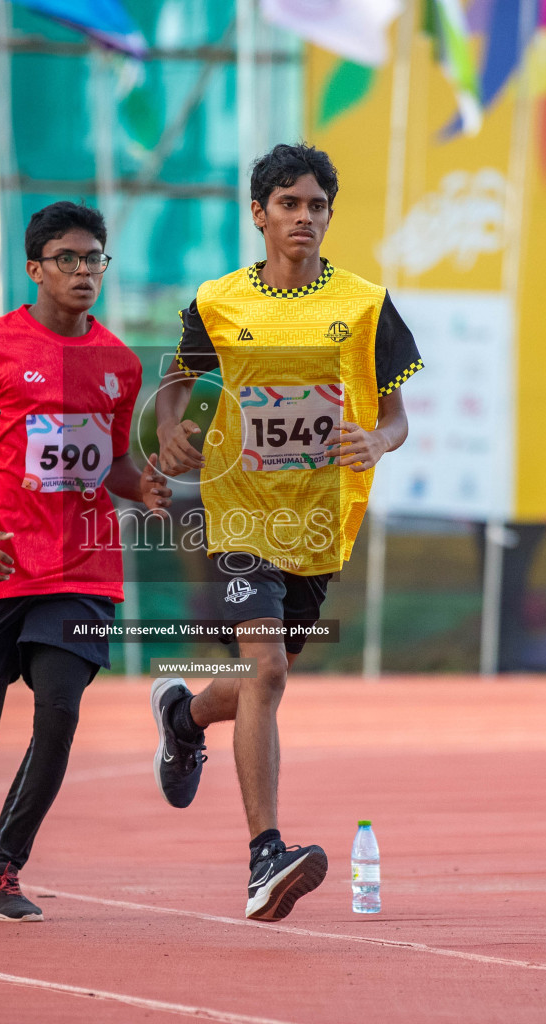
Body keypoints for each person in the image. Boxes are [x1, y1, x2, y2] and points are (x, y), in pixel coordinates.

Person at [151, 144, 422, 921]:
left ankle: (184, 717)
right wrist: (173, 432)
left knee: (266, 680)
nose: (304, 218)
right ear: (260, 213)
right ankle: (264, 857)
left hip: (322, 520)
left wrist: (378, 440)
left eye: (317, 207)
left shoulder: (368, 304)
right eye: (290, 204)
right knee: (266, 670)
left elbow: (397, 413)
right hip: (239, 510)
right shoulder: (219, 300)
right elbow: (177, 380)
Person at [0, 201, 170, 921]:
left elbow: (113, 463)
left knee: (58, 712)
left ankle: (0, 872)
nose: (84, 271)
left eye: (95, 258)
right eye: (68, 258)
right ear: (35, 268)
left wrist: (143, 485)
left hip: (81, 568)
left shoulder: (120, 365)